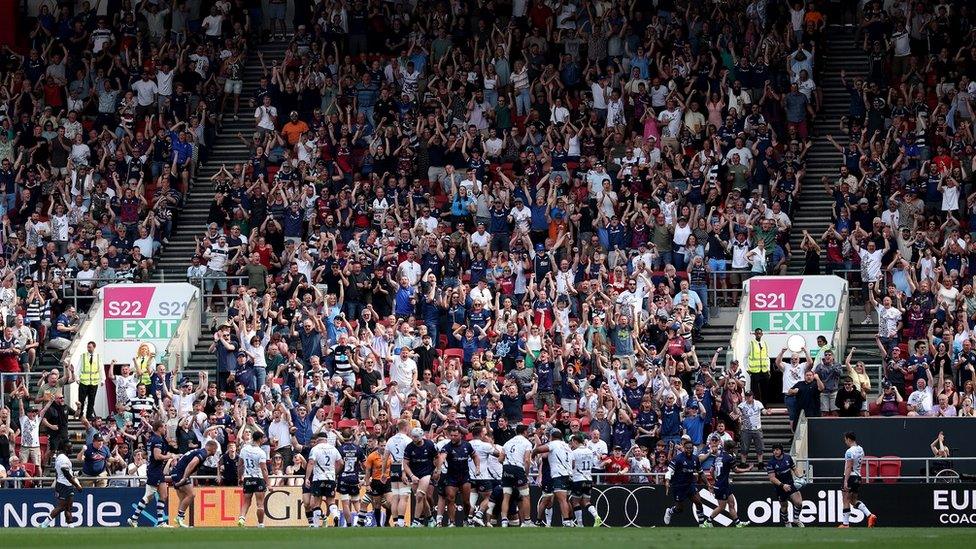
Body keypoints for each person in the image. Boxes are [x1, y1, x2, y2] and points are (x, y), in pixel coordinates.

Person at [128, 421, 176, 527]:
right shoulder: (157, 439)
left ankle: (160, 522)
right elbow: (157, 456)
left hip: (156, 470)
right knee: (148, 496)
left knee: (163, 495)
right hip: (154, 471)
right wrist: (170, 456)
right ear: (159, 428)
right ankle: (133, 518)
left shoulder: (152, 439)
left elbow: (148, 453)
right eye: (163, 427)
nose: (165, 429)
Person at [171, 440, 219, 527]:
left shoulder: (199, 451)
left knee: (183, 499)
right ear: (212, 448)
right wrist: (185, 478)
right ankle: (180, 517)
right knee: (191, 494)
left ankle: (179, 521)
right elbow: (191, 464)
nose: (216, 452)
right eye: (215, 449)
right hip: (180, 473)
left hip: (176, 472)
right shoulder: (203, 453)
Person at [532, 428, 574, 528]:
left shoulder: (553, 444)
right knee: (567, 500)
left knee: (562, 500)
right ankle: (571, 520)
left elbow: (538, 449)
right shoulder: (567, 446)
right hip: (569, 474)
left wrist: (533, 454)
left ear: (552, 437)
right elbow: (573, 463)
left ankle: (567, 521)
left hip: (559, 475)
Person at [703, 439, 749, 527]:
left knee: (731, 503)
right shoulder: (729, 457)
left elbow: (711, 471)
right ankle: (708, 522)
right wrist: (747, 469)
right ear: (731, 449)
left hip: (723, 484)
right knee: (721, 507)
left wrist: (716, 480)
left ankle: (738, 523)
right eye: (734, 448)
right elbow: (736, 470)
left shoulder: (717, 456)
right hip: (722, 486)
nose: (734, 450)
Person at [663, 438, 707, 527]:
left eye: (690, 448)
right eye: (687, 448)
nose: (689, 450)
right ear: (683, 448)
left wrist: (708, 484)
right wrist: (667, 481)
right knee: (680, 509)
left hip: (690, 484)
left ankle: (702, 524)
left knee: (698, 502)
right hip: (678, 486)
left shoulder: (695, 459)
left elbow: (701, 472)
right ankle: (670, 511)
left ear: (693, 448)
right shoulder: (678, 458)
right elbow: (669, 471)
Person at [38, 443, 83, 528]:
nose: (72, 449)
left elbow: (67, 472)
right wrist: (77, 485)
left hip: (67, 485)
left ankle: (70, 524)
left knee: (69, 506)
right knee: (61, 507)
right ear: (66, 448)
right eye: (70, 447)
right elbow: (66, 474)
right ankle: (44, 523)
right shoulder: (63, 459)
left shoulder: (62, 457)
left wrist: (75, 473)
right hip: (63, 485)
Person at [840, 431, 877, 528]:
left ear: (848, 439)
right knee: (853, 500)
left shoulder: (849, 451)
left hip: (850, 476)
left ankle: (845, 524)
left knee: (846, 499)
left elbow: (848, 466)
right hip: (858, 476)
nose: (845, 442)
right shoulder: (861, 449)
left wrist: (845, 481)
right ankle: (870, 515)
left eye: (845, 440)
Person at [306, 432, 344, 528]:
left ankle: (315, 524)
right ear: (326, 439)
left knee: (316, 502)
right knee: (331, 501)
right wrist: (335, 472)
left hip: (318, 478)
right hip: (330, 478)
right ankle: (335, 515)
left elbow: (311, 463)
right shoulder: (333, 448)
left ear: (318, 439)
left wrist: (307, 478)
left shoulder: (315, 449)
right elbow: (341, 463)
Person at [403, 427, 438, 527]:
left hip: (426, 473)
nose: (414, 439)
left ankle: (416, 521)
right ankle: (431, 519)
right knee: (422, 498)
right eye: (413, 437)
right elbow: (405, 464)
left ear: (421, 437)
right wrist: (411, 475)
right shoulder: (409, 447)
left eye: (416, 437)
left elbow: (438, 457)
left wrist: (437, 469)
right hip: (414, 473)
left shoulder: (430, 444)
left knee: (419, 495)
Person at [500, 423, 534, 528]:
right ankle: (527, 521)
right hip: (518, 469)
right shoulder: (527, 443)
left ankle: (504, 521)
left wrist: (507, 466)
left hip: (506, 468)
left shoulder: (507, 442)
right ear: (524, 432)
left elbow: (500, 459)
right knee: (525, 495)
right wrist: (526, 474)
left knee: (506, 496)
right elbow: (527, 460)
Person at [766, 443, 804, 527]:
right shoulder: (771, 462)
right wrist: (783, 485)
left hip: (790, 484)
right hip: (780, 487)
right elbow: (772, 478)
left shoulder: (788, 458)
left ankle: (796, 519)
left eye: (777, 450)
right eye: (773, 450)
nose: (775, 452)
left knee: (798, 503)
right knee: (784, 506)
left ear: (781, 450)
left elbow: (794, 468)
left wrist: (800, 476)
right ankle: (787, 522)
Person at [238, 432, 271, 528]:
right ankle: (260, 524)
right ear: (260, 439)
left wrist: (240, 477)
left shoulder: (244, 449)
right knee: (260, 503)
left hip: (247, 478)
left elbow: (240, 465)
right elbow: (264, 469)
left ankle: (241, 518)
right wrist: (268, 483)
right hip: (258, 479)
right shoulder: (261, 452)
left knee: (246, 501)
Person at [384, 419, 413, 527]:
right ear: (406, 428)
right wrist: (406, 472)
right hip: (403, 467)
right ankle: (400, 522)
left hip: (393, 467)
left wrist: (383, 473)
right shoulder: (408, 440)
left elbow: (385, 458)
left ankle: (395, 522)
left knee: (395, 496)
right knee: (404, 496)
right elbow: (408, 458)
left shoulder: (390, 440)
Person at [568, 434, 601, 527]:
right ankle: (596, 516)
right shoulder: (590, 451)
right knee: (586, 502)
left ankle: (580, 524)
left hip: (578, 479)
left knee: (575, 502)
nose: (572, 445)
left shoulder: (574, 452)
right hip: (588, 479)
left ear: (575, 441)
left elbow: (572, 465)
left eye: (572, 443)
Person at [746, 329, 771, 402]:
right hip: (754, 371)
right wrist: (747, 369)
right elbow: (745, 356)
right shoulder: (751, 343)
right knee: (755, 390)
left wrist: (768, 369)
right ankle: (756, 405)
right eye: (757, 333)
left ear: (762, 334)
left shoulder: (765, 343)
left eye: (760, 333)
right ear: (755, 334)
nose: (758, 335)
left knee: (765, 389)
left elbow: (767, 357)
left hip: (764, 370)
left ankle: (764, 405)